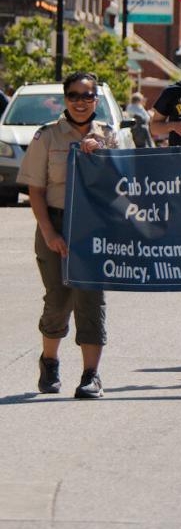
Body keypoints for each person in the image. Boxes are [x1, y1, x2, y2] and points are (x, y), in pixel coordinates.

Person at [21, 72, 117, 398]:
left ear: (96, 100)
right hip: (57, 224)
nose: (80, 102)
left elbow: (124, 183)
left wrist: (102, 152)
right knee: (58, 300)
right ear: (65, 99)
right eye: (74, 96)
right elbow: (35, 190)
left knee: (91, 300)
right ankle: (49, 361)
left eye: (87, 96)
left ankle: (91, 374)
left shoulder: (108, 136)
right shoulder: (47, 136)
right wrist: (49, 233)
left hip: (94, 229)